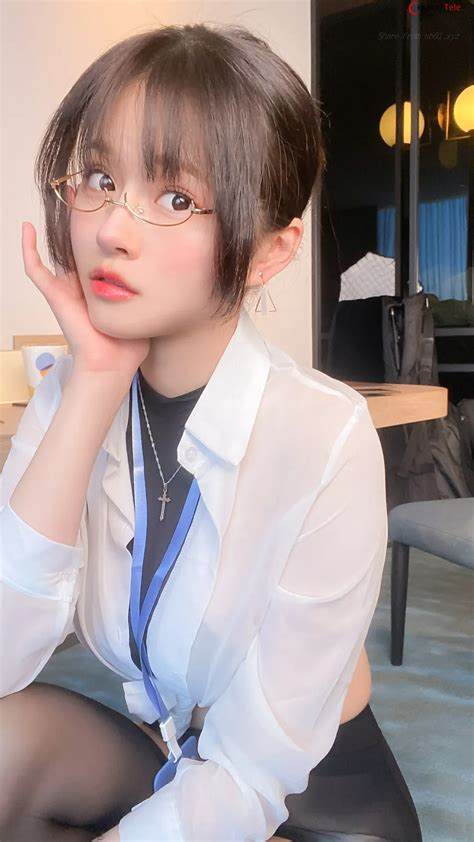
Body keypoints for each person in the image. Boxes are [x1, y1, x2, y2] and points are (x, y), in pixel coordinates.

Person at [0, 22, 423, 842]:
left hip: (306, 791)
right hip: (168, 749)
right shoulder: (68, 394)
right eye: (99, 178)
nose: (110, 229)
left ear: (268, 251)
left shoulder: (324, 436)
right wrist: (92, 384)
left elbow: (250, 774)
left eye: (176, 199)